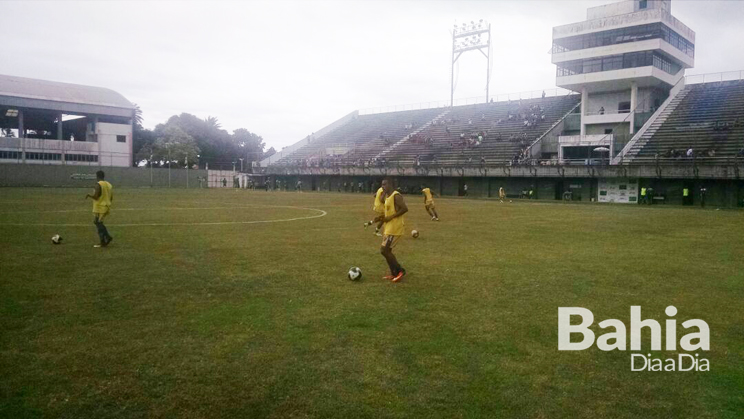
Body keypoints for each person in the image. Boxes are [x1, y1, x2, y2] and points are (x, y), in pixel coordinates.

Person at [373, 178, 408, 282]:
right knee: (387, 251)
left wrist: (391, 217)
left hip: (395, 228)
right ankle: (394, 273)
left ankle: (400, 270)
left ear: (390, 184)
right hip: (388, 227)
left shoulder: (396, 195)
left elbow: (404, 209)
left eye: (385, 184)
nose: (383, 187)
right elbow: (388, 212)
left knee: (384, 250)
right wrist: (380, 218)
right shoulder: (387, 197)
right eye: (382, 185)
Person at [85, 170, 113, 248]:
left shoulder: (98, 184)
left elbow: (96, 196)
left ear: (97, 176)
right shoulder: (109, 185)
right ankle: (105, 239)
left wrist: (89, 195)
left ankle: (105, 239)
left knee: (98, 223)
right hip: (106, 206)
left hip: (99, 207)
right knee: (97, 222)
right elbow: (111, 197)